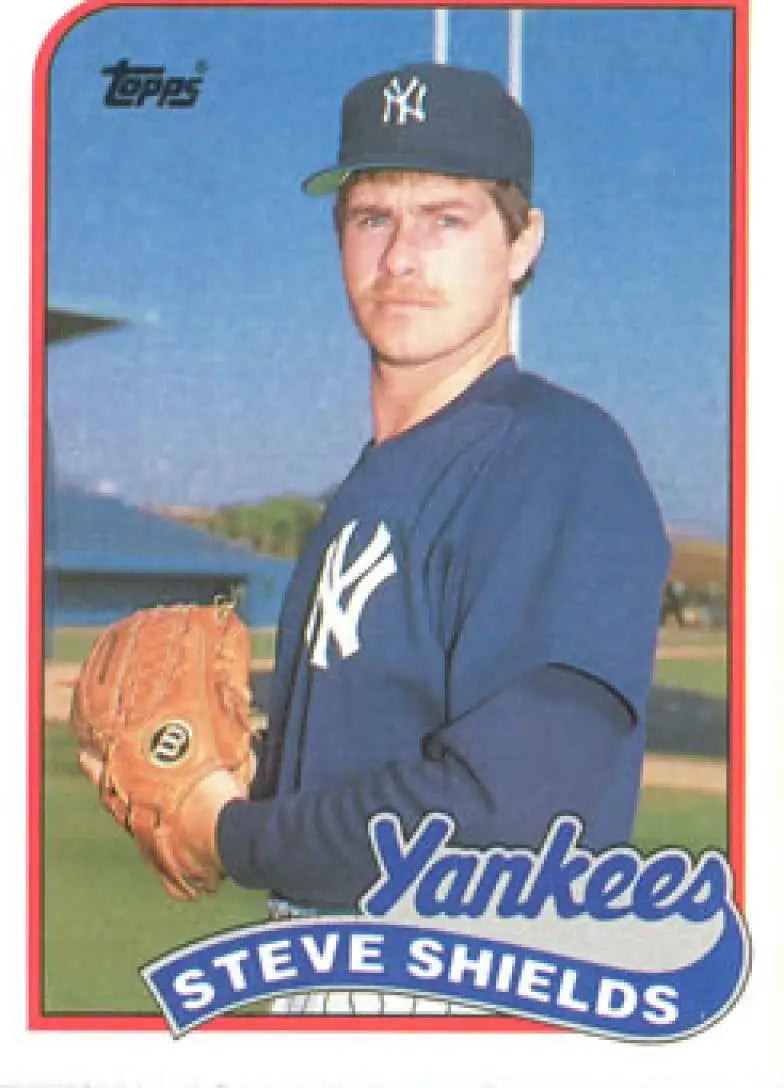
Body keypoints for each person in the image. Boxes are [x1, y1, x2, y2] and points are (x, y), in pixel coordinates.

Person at [112, 62, 671, 1011]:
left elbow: (520, 819)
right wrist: (219, 770)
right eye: (373, 216)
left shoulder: (561, 458)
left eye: (446, 219)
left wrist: (230, 832)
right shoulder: (367, 484)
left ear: (523, 243)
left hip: (472, 979)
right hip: (330, 965)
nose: (401, 256)